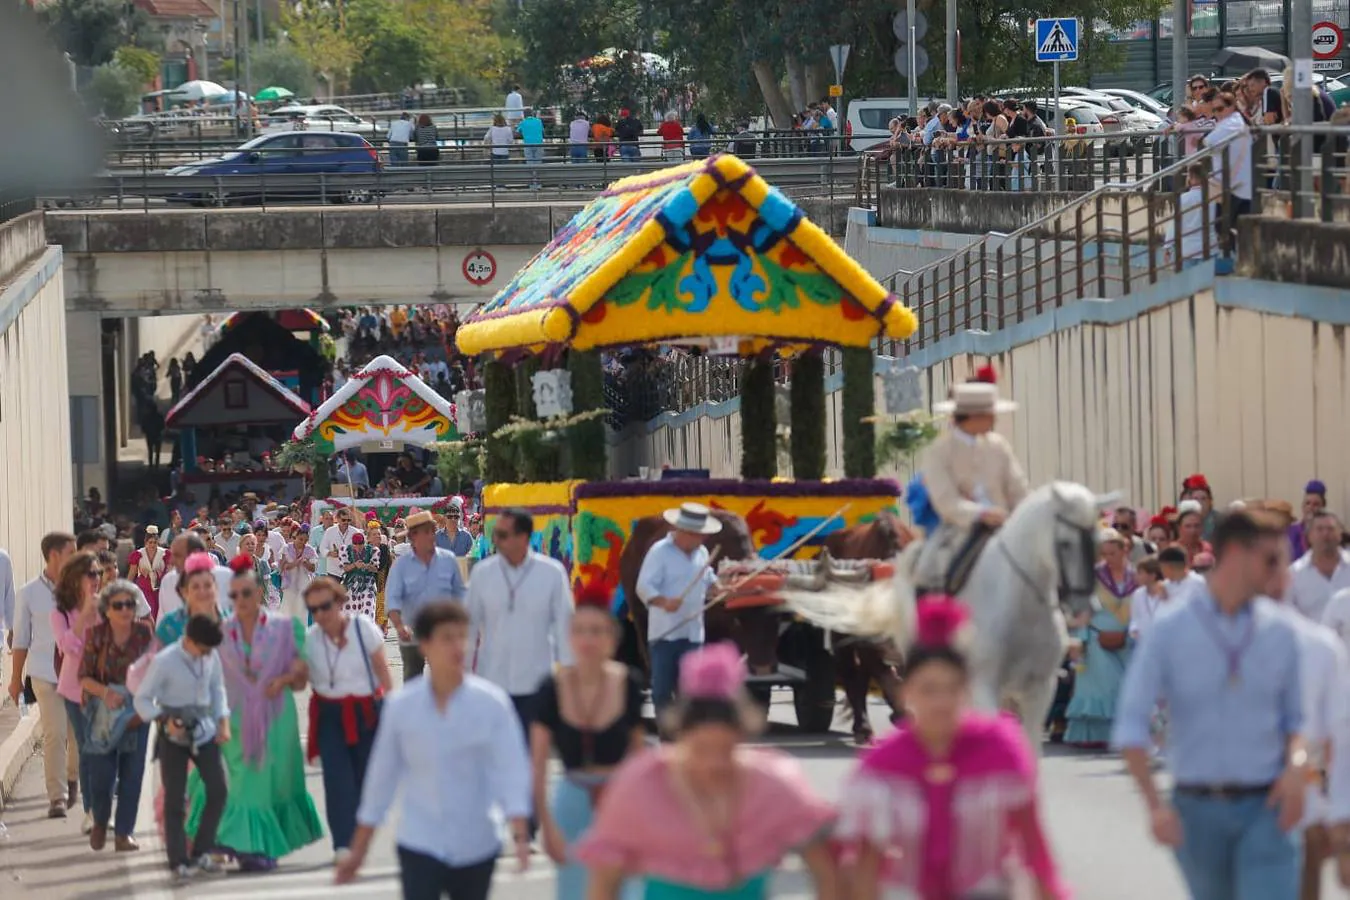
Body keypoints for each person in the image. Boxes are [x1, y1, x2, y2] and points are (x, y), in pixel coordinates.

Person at [1113, 510, 1309, 900]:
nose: (1282, 573)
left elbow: (1297, 722)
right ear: (1236, 553)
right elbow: (1131, 725)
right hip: (1196, 811)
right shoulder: (1170, 630)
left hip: (1266, 808)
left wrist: (1296, 771)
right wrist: (1155, 805)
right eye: (1270, 560)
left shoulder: (1282, 632)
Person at [836, 597, 1069, 899]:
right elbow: (863, 864)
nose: (941, 702)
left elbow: (1034, 849)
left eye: (952, 689)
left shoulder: (1001, 748)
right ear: (906, 692)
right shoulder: (882, 763)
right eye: (929, 690)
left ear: (969, 690)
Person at [574, 643, 839, 899]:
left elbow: (828, 873)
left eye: (725, 749)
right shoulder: (642, 784)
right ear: (681, 736)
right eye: (701, 749)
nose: (714, 762)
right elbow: (604, 885)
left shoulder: (773, 782)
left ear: (742, 735)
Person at [336, 602, 532, 898]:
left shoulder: (491, 704)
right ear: (425, 645)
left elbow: (511, 769)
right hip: (420, 841)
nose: (457, 646)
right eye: (446, 638)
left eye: (461, 637)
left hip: (477, 842)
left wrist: (520, 833)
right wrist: (358, 850)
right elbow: (381, 782)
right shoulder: (402, 707)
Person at [190, 556, 322, 871]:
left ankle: (255, 845)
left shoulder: (285, 628)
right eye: (234, 595)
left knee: (266, 783)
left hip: (276, 720)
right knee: (247, 781)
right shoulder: (220, 633)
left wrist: (286, 678)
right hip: (233, 721)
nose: (240, 601)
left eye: (246, 593)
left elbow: (302, 680)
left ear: (260, 592)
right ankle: (251, 848)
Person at [531, 580, 645, 900]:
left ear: (612, 638)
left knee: (628, 892)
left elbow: (638, 759)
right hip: (571, 802)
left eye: (598, 631)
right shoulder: (551, 687)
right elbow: (537, 765)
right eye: (581, 631)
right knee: (574, 892)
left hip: (620, 803)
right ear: (569, 637)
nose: (589, 639)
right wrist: (545, 826)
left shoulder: (628, 683)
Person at [134, 613, 231, 879]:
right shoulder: (165, 662)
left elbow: (218, 689)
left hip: (204, 729)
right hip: (173, 733)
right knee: (175, 798)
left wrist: (223, 721)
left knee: (219, 790)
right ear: (189, 640)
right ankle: (178, 861)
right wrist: (164, 719)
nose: (206, 654)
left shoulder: (210, 655)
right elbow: (142, 699)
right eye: (203, 649)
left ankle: (201, 852)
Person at [913, 368, 1028, 594]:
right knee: (928, 572)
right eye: (990, 413)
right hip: (959, 529)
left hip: (1005, 526)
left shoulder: (998, 446)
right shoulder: (939, 451)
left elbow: (1018, 487)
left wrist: (1024, 513)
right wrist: (980, 513)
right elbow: (945, 500)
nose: (994, 418)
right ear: (974, 416)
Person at [302, 577, 392, 860]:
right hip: (329, 714)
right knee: (337, 779)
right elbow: (298, 679)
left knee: (365, 778)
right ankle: (343, 843)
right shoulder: (310, 639)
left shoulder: (362, 627)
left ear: (340, 602)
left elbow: (383, 669)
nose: (320, 615)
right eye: (313, 609)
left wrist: (390, 709)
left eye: (325, 607)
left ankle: (361, 834)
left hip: (366, 710)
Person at [79, 579, 156, 852]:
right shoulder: (96, 635)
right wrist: (105, 693)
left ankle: (124, 833)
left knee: (133, 773)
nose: (125, 610)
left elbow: (154, 672)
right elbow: (84, 678)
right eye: (118, 605)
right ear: (106, 609)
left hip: (136, 710)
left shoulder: (145, 634)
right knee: (102, 774)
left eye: (130, 604)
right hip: (103, 709)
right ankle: (100, 820)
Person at [9, 531, 79, 818]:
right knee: (55, 732)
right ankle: (57, 797)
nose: (76, 558)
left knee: (77, 737)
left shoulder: (80, 589)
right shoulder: (29, 593)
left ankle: (72, 779)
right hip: (43, 674)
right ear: (54, 555)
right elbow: (20, 640)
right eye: (71, 553)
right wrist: (15, 680)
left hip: (77, 674)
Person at [636, 503, 721, 719]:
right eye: (698, 535)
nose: (702, 540)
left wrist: (718, 588)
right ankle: (667, 734)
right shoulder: (659, 552)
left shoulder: (702, 552)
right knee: (663, 691)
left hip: (693, 633)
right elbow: (644, 586)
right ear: (684, 531)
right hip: (665, 634)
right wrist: (664, 602)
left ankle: (687, 736)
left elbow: (708, 578)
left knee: (692, 691)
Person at [52, 550, 108, 834]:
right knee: (88, 749)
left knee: (102, 749)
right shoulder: (61, 611)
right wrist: (85, 614)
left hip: (102, 689)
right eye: (91, 574)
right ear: (75, 578)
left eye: (99, 573)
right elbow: (67, 646)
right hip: (74, 690)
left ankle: (101, 808)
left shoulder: (107, 605)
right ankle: (93, 812)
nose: (97, 579)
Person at [1065, 528, 1135, 749]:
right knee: (1105, 686)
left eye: (1112, 553)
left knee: (1126, 686)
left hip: (1127, 641)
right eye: (1103, 554)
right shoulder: (1093, 577)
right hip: (1096, 640)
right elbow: (1081, 610)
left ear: (1125, 551)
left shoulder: (1136, 576)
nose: (1107, 559)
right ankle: (1093, 734)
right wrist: (1079, 641)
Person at [385, 510, 466, 679]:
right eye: (426, 532)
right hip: (412, 633)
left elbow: (460, 595)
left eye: (432, 531)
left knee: (446, 679)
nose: (432, 536)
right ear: (413, 536)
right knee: (413, 680)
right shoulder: (401, 566)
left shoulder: (448, 560)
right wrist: (399, 627)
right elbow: (392, 599)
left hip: (443, 632)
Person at [1286, 511, 1350, 623]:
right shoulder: (1294, 575)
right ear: (1309, 536)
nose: (1325, 534)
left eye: (1330, 529)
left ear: (1340, 535)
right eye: (1319, 529)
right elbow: (1288, 617)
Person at [159, 534, 234, 622]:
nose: (171, 561)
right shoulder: (168, 581)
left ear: (195, 553)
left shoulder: (226, 577)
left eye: (177, 555)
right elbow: (162, 620)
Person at [339, 527, 381, 619]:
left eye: (360, 544)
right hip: (350, 584)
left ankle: (368, 631)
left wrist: (366, 566)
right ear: (352, 543)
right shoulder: (345, 549)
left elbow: (375, 569)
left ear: (364, 542)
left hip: (367, 584)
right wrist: (354, 565)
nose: (358, 546)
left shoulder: (373, 550)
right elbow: (344, 568)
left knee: (368, 609)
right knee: (349, 614)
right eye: (356, 544)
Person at [279, 525, 317, 621]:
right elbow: (282, 567)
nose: (303, 542)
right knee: (287, 609)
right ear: (296, 536)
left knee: (301, 609)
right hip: (289, 582)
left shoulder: (310, 550)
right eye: (301, 539)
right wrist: (295, 564)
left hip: (304, 583)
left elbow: (313, 568)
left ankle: (300, 633)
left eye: (305, 540)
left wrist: (306, 563)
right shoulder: (286, 548)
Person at [1290, 480, 1329, 561]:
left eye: (1316, 504)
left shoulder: (1329, 532)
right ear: (1302, 507)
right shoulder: (1291, 531)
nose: (1310, 507)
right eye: (1307, 503)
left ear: (1323, 508)